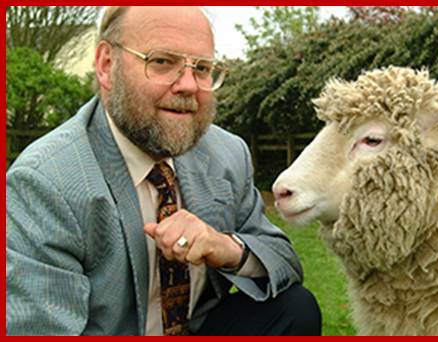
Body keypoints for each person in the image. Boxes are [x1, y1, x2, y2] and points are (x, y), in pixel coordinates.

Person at [6, 6, 321, 336]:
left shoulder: (227, 153)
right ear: (106, 65)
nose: (188, 85)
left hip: (197, 327)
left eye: (201, 68)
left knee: (295, 309)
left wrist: (225, 247)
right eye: (161, 61)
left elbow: (284, 262)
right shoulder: (45, 182)